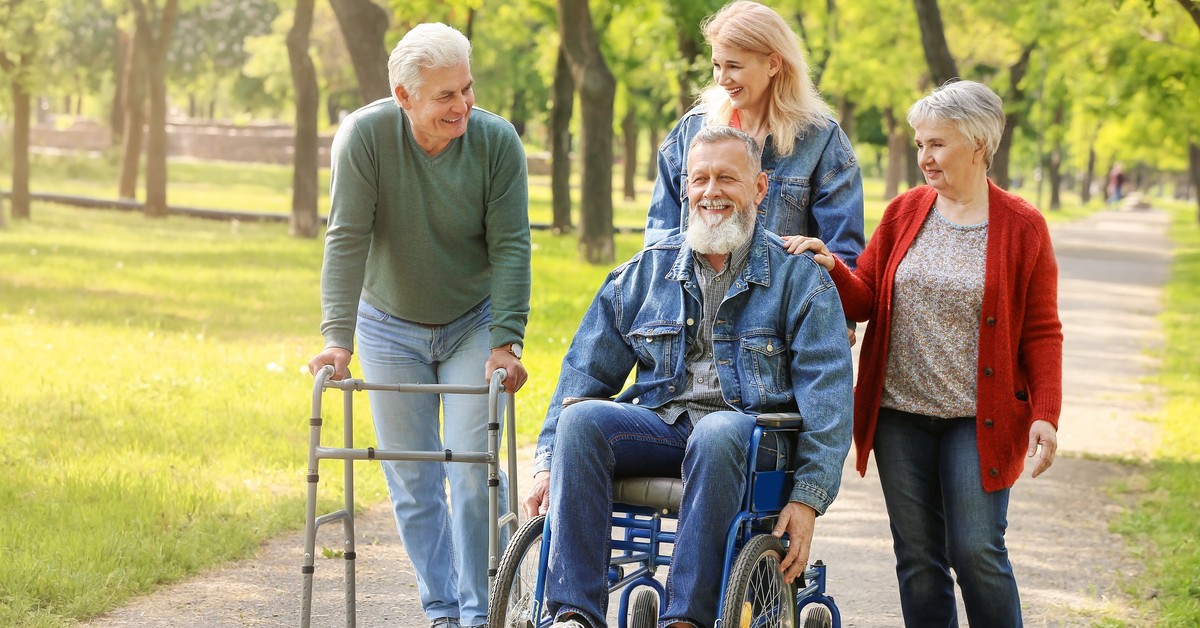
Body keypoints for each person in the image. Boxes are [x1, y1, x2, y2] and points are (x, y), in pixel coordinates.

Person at [523, 126, 855, 628]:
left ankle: (685, 620)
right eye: (699, 178)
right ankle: (575, 615)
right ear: (685, 186)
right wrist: (549, 463)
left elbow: (828, 399)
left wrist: (808, 498)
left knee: (717, 431)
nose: (711, 192)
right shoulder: (644, 274)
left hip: (752, 437)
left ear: (760, 188)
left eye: (727, 178)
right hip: (666, 425)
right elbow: (583, 373)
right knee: (582, 421)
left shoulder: (799, 279)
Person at [786, 80, 1063, 627]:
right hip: (898, 415)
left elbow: (1041, 329)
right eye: (919, 144)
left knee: (977, 552)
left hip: (975, 420)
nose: (924, 157)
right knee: (917, 560)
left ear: (978, 144)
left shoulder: (1022, 225)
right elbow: (867, 296)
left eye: (936, 144)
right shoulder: (905, 211)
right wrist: (833, 268)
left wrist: (1045, 415)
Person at [306, 23, 530, 628]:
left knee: (471, 467)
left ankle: (484, 612)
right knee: (411, 480)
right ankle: (442, 611)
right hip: (387, 325)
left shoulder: (496, 142)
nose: (462, 106)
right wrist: (336, 339)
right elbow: (346, 237)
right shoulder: (366, 137)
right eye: (444, 96)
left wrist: (506, 340)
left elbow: (511, 244)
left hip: (471, 320)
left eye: (466, 89)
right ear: (404, 97)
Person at [644, 1, 865, 274]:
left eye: (734, 66)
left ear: (772, 63)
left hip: (780, 312)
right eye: (717, 65)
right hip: (695, 309)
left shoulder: (822, 139)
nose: (722, 79)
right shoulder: (693, 130)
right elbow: (658, 244)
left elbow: (842, 260)